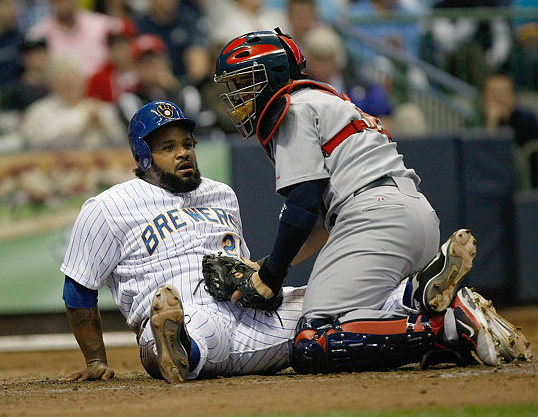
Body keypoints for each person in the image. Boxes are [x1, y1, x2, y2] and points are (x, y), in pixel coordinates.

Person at [213, 29, 532, 373]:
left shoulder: (290, 106)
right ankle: (417, 299)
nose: (240, 93)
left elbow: (303, 204)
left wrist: (271, 275)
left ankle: (448, 326)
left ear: (274, 73)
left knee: (314, 340)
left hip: (371, 217)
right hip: (414, 216)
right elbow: (319, 225)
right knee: (367, 317)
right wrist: (268, 265)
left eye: (247, 80)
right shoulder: (329, 100)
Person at [60, 100, 306, 383]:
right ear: (143, 155)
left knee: (319, 301)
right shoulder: (108, 206)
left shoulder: (223, 195)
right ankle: (175, 346)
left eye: (187, 144)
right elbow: (78, 288)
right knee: (197, 327)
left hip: (248, 319)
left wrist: (253, 279)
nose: (183, 153)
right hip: (189, 316)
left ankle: (343, 346)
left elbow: (241, 260)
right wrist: (95, 361)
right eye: (169, 147)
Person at [18, 55, 126, 149]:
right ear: (52, 83)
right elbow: (34, 147)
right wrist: (80, 127)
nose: (69, 82)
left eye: (74, 76)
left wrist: (104, 126)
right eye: (63, 78)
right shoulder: (38, 112)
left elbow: (122, 144)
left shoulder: (102, 109)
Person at [479, 73, 538, 188]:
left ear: (513, 97)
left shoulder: (526, 118)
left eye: (503, 93)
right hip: (489, 183)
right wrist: (491, 125)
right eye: (494, 94)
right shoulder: (477, 121)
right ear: (484, 98)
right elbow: (481, 159)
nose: (499, 99)